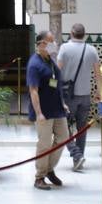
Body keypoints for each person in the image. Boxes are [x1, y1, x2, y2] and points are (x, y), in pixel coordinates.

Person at [26, 31, 69, 190]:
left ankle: (49, 169)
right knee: (44, 144)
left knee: (63, 137)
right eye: (51, 42)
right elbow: (33, 91)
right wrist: (38, 113)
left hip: (57, 109)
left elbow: (55, 83)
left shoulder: (49, 60)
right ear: (42, 44)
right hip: (43, 111)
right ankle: (39, 177)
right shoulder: (34, 64)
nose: (54, 44)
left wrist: (62, 103)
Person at [57, 23, 101, 171]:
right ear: (85, 34)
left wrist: (53, 91)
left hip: (69, 97)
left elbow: (57, 71)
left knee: (64, 128)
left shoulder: (64, 48)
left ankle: (76, 156)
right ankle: (79, 157)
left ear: (71, 33)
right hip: (86, 95)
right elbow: (97, 74)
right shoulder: (92, 50)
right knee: (82, 128)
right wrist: (98, 92)